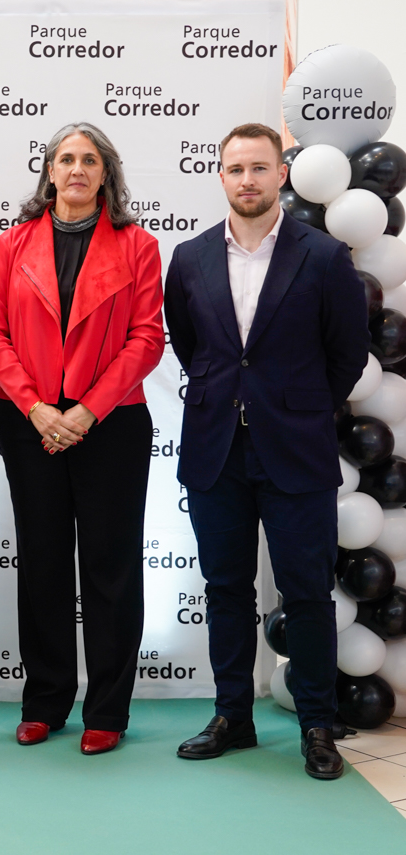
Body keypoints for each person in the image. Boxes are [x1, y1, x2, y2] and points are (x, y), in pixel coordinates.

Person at [165, 123, 369, 779]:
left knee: (306, 591)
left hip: (297, 450)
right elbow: (190, 344)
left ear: (282, 174)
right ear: (221, 177)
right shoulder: (190, 257)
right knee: (225, 587)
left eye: (259, 167)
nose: (247, 180)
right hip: (216, 450)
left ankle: (317, 725)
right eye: (235, 169)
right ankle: (233, 716)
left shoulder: (324, 256)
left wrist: (297, 406)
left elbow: (347, 354)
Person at [0, 122, 164, 755]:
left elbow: (147, 338)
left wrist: (86, 411)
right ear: (50, 172)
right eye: (66, 159)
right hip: (28, 421)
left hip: (111, 422)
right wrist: (37, 408)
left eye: (90, 160)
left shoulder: (139, 245)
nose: (77, 169)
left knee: (112, 567)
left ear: (106, 172)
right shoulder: (12, 244)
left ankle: (108, 710)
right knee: (43, 562)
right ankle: (45, 701)